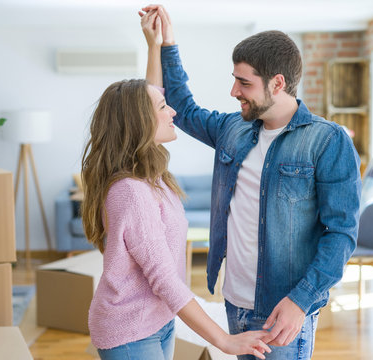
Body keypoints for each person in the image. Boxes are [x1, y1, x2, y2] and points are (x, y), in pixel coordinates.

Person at [140, 5, 361, 360]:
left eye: (244, 82)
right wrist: (167, 44)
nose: (233, 91)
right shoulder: (233, 128)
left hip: (284, 311)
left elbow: (342, 235)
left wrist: (300, 301)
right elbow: (181, 105)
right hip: (234, 300)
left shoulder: (328, 141)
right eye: (235, 78)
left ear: (277, 82)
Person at [81, 54, 271, 360]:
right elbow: (165, 279)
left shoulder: (148, 174)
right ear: (139, 122)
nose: (172, 111)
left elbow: (147, 95)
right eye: (161, 107)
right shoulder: (131, 191)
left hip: (158, 320)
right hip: (131, 331)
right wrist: (224, 341)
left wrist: (155, 44)